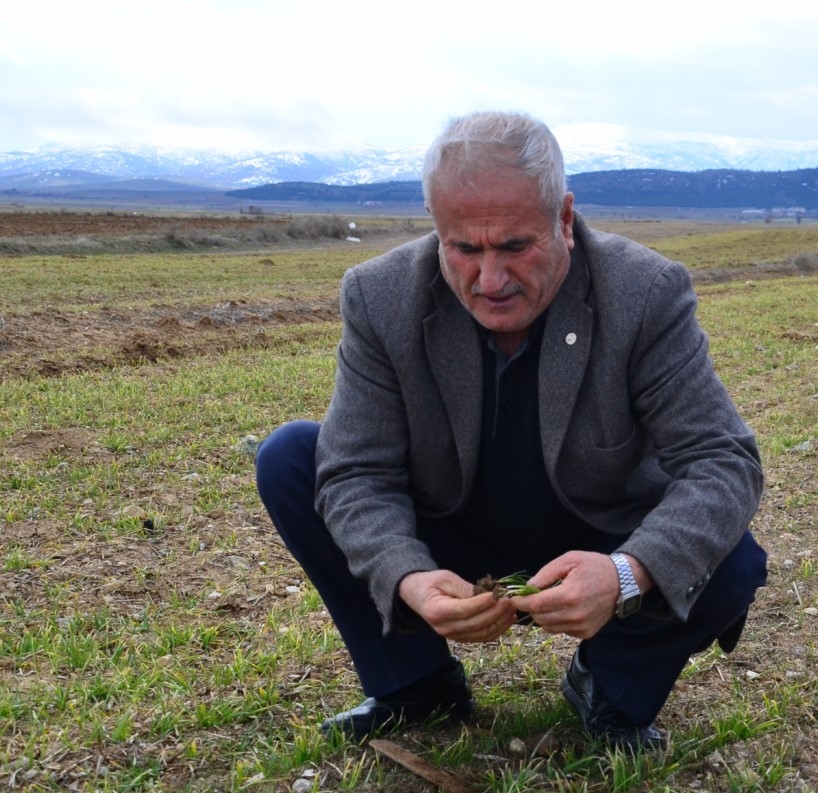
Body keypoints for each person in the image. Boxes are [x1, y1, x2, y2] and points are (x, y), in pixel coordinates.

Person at [255, 111, 766, 751]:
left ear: (564, 219)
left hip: (603, 537)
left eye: (515, 247)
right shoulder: (379, 296)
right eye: (464, 249)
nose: (489, 281)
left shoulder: (645, 291)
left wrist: (626, 574)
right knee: (293, 459)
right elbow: (358, 471)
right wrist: (408, 577)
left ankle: (608, 685)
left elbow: (724, 461)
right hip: (453, 532)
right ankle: (413, 683)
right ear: (437, 230)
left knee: (729, 557)